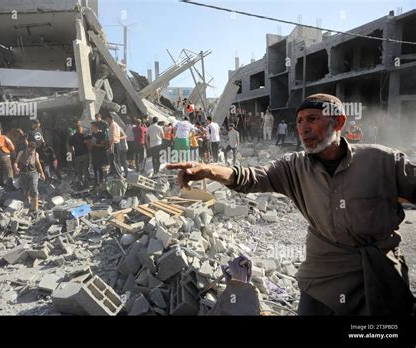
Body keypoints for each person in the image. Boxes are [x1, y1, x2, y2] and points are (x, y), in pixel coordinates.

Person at [167, 93, 416, 316]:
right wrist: (208, 170)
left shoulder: (383, 161)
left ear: (338, 122)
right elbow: (249, 177)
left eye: (312, 119)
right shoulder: (292, 167)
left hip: (379, 272)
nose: (303, 128)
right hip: (322, 276)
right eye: (299, 121)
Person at [14, 141, 45, 214]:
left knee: (34, 190)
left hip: (33, 173)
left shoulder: (36, 154)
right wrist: (16, 168)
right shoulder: (21, 153)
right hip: (23, 174)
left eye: (33, 150)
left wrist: (42, 174)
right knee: (26, 190)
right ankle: (27, 203)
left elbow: (38, 164)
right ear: (27, 148)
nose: (31, 151)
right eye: (30, 150)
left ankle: (36, 208)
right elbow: (16, 162)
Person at [68, 120, 90, 188]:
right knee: (86, 169)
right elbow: (88, 143)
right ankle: (86, 183)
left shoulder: (72, 137)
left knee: (79, 170)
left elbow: (70, 146)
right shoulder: (83, 136)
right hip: (85, 154)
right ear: (80, 129)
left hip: (77, 155)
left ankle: (80, 183)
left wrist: (73, 153)